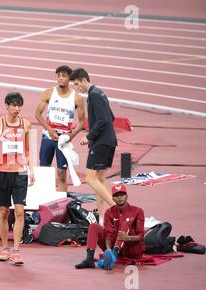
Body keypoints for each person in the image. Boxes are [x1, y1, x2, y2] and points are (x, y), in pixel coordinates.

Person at [0, 92, 35, 265]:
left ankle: (16, 251)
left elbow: (28, 150)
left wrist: (32, 170)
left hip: (20, 172)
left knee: (20, 211)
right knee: (4, 211)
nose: (17, 108)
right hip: (2, 172)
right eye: (13, 105)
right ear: (6, 105)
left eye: (19, 105)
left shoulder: (26, 124)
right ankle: (5, 249)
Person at [70, 68, 117, 218]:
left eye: (78, 84)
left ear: (84, 80)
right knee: (101, 180)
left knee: (90, 178)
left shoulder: (94, 95)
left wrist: (89, 136)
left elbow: (104, 119)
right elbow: (111, 116)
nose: (78, 88)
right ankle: (100, 216)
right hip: (109, 141)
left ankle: (117, 209)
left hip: (101, 143)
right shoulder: (100, 92)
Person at [35, 65, 85, 193]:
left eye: (64, 76)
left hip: (63, 140)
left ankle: (62, 203)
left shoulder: (77, 98)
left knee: (62, 173)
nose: (61, 78)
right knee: (44, 171)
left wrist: (71, 136)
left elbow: (81, 121)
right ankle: (43, 198)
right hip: (48, 137)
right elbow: (38, 114)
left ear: (70, 78)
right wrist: (49, 129)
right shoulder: (49, 93)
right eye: (59, 76)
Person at [75, 184, 145, 270]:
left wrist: (129, 238)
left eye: (122, 195)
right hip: (113, 246)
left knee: (125, 224)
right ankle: (89, 259)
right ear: (112, 199)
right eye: (116, 196)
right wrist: (108, 249)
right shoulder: (109, 212)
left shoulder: (138, 211)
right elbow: (108, 233)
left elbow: (141, 236)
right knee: (94, 226)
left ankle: (114, 255)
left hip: (131, 249)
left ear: (127, 196)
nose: (120, 198)